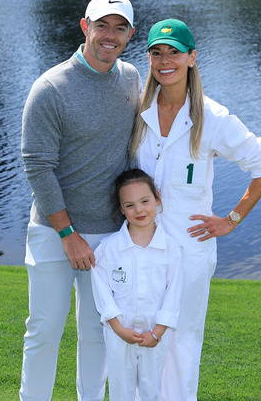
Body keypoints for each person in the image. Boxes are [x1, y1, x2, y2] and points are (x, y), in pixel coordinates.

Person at [130, 18, 261, 400]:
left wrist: (231, 220)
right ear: (149, 58)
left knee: (180, 345)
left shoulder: (212, 118)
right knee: (138, 341)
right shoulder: (137, 110)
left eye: (175, 53)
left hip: (189, 251)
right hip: (140, 249)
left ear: (192, 58)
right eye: (157, 53)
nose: (166, 60)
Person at [19, 0, 141, 401]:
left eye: (119, 28)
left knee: (98, 331)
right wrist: (68, 233)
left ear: (130, 35)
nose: (110, 35)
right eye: (102, 25)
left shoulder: (131, 79)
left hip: (108, 236)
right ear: (85, 26)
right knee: (44, 329)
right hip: (55, 232)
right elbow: (37, 166)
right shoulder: (50, 88)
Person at [90, 168, 183, 401]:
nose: (139, 210)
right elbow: (102, 292)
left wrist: (158, 332)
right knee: (121, 390)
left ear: (157, 199)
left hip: (155, 332)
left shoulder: (171, 249)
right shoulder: (108, 248)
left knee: (151, 390)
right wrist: (118, 328)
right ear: (122, 209)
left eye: (145, 201)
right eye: (130, 205)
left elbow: (174, 294)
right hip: (119, 332)